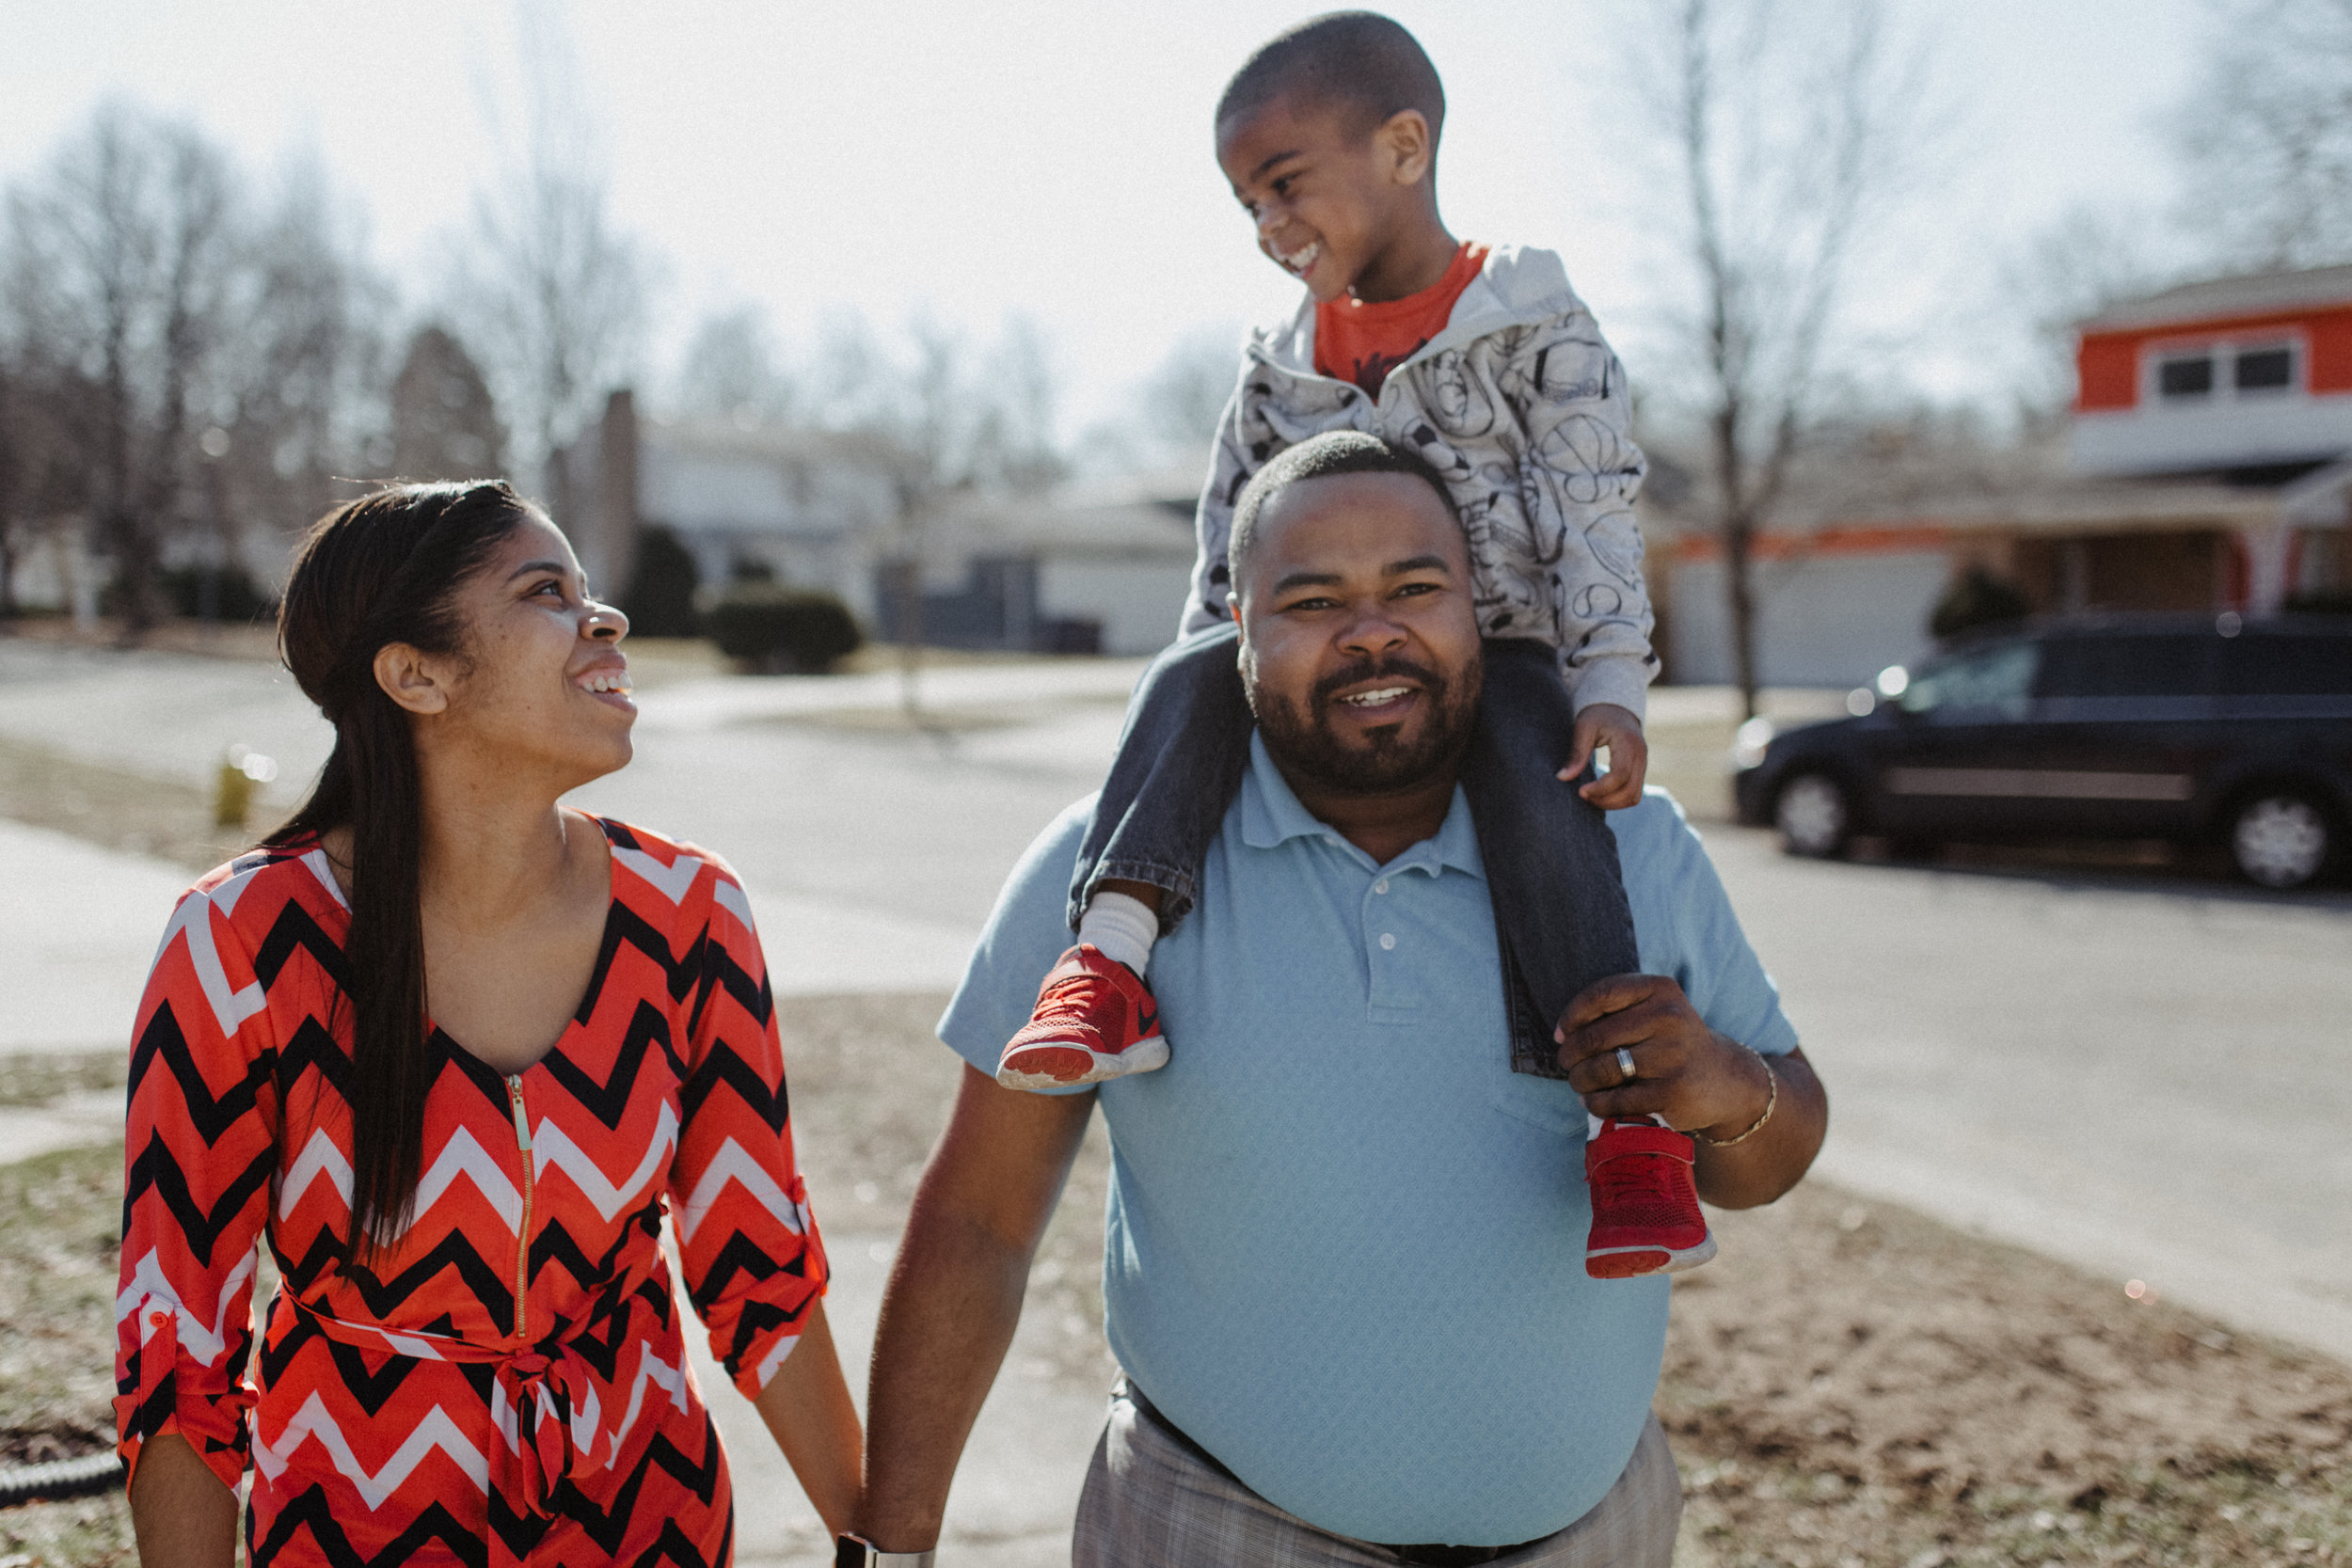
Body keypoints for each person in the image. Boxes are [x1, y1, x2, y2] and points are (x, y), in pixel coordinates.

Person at [853, 434, 1828, 1566]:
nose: (1372, 629)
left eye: (1414, 587)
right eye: (1312, 599)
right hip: (1212, 1526)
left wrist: (1724, 1086)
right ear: (1237, 628)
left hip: (1595, 1532)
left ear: (1477, 605)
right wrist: (891, 1547)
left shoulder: (1633, 846)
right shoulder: (1102, 867)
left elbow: (1776, 1147)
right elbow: (978, 1221)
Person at [993, 13, 1695, 1276]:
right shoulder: (1279, 368)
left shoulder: (1536, 324)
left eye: (1283, 185)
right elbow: (1224, 546)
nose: (1267, 224)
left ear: (1404, 146)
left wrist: (1610, 686)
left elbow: (1595, 511)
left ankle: (1627, 1124)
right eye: (1245, 203)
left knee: (1545, 804)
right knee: (1194, 664)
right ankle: (1109, 965)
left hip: (1505, 648)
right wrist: (1201, 707)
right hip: (1316, 660)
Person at [114, 482, 861, 1568]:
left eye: (590, 589)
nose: (604, 620)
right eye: (547, 592)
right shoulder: (241, 939)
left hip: (650, 1514)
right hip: (356, 1521)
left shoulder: (692, 912)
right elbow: (180, 1343)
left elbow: (763, 1277)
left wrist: (880, 1544)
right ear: (416, 673)